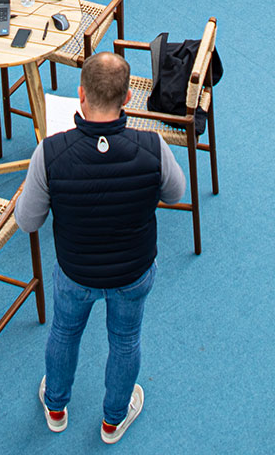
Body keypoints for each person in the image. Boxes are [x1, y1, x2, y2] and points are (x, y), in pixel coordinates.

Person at [18, 50, 184, 443]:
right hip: (133, 272)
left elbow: (27, 222)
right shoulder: (153, 146)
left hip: (75, 273)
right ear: (127, 98)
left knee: (64, 331)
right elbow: (176, 194)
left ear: (81, 95)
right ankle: (113, 421)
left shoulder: (50, 153)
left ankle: (55, 407)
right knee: (125, 340)